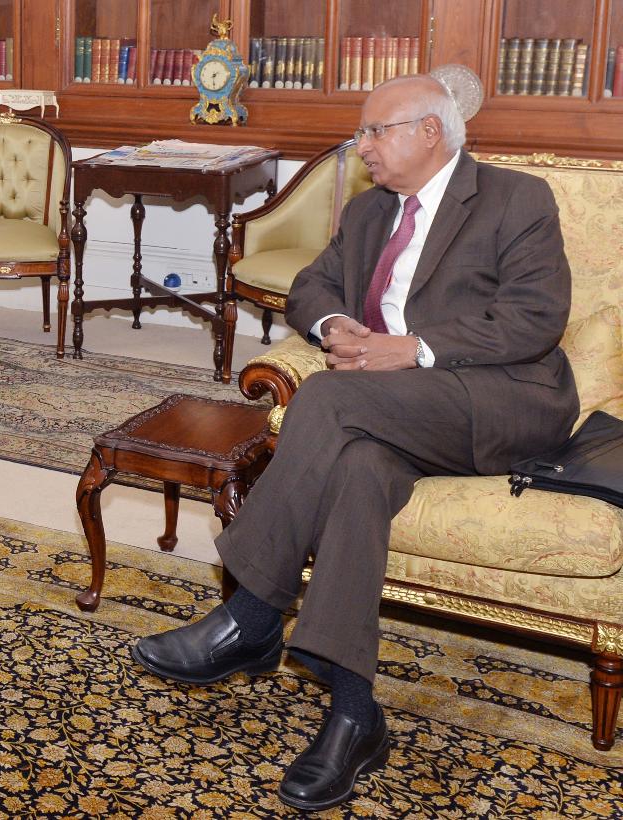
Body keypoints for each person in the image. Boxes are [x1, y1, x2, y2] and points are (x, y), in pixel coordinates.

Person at [132, 74, 577, 811]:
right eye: (362, 132)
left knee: (330, 400)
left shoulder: (516, 199)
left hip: (500, 400)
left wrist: (414, 348)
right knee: (359, 471)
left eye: (376, 131)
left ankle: (251, 617)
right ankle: (353, 715)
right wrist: (335, 325)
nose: (362, 146)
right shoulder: (370, 209)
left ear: (430, 131)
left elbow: (535, 318)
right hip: (390, 411)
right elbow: (311, 285)